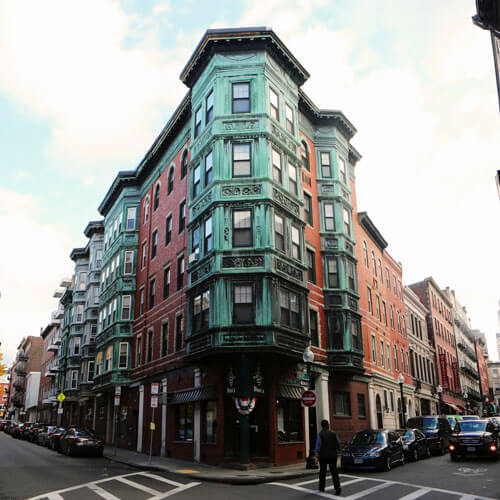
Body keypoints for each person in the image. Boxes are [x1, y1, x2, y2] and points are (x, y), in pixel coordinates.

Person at [314, 419, 341, 495]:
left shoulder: (320, 434)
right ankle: (337, 488)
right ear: (328, 425)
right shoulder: (334, 433)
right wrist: (338, 452)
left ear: (322, 426)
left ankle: (321, 487)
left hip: (323, 456)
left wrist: (316, 458)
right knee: (334, 472)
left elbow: (317, 447)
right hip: (333, 455)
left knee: (322, 472)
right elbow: (338, 444)